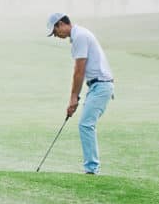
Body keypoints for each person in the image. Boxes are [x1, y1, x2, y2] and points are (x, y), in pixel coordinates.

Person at [46, 13, 115, 174]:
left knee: (85, 124)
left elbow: (79, 70)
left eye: (55, 32)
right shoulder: (79, 35)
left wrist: (73, 98)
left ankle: (91, 170)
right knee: (86, 124)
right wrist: (75, 97)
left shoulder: (80, 37)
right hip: (96, 86)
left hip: (101, 85)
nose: (56, 36)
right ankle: (91, 168)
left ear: (61, 24)